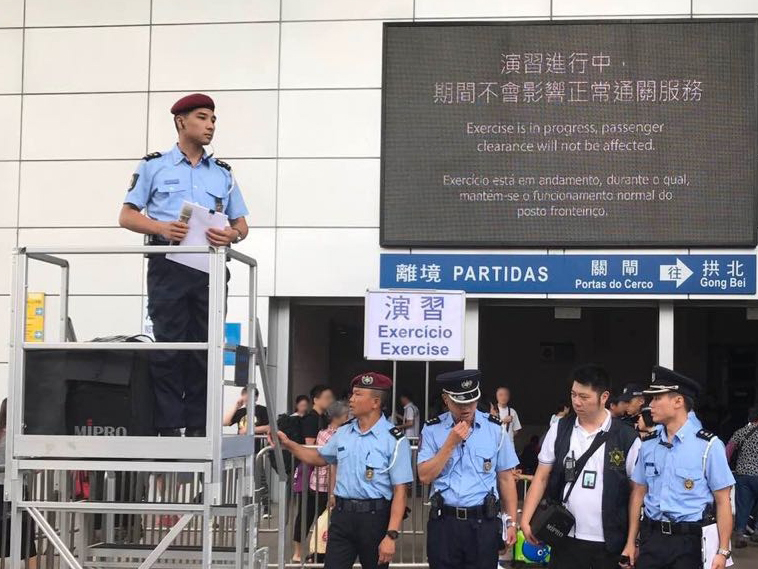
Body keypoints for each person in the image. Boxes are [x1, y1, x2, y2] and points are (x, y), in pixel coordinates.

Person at [119, 93, 249, 437]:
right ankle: (167, 426)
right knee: (169, 346)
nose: (210, 126)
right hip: (168, 262)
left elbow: (241, 224)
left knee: (206, 347)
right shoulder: (154, 166)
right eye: (203, 118)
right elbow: (127, 216)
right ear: (181, 122)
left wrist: (232, 234)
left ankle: (197, 426)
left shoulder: (222, 173)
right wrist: (161, 227)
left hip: (209, 264)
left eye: (213, 119)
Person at [273, 372, 412, 569]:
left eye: (358, 394)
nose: (351, 399)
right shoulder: (344, 432)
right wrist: (288, 444)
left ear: (375, 402)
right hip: (342, 517)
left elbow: (400, 491)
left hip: (374, 518)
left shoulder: (394, 440)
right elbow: (320, 458)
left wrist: (391, 535)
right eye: (352, 394)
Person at [520, 364, 640, 569]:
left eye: (584, 397)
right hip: (564, 536)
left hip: (610, 542)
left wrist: (631, 541)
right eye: (573, 394)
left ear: (604, 397)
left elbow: (636, 491)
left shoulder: (626, 437)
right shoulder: (560, 429)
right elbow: (541, 477)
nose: (576, 402)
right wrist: (526, 519)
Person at [624, 366, 735, 569]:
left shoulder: (708, 446)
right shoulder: (649, 444)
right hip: (652, 538)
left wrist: (723, 551)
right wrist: (632, 542)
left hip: (689, 544)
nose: (650, 405)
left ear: (678, 401)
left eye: (657, 398)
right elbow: (638, 493)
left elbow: (723, 501)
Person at [418, 370, 519, 569]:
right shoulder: (432, 429)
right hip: (445, 522)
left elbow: (506, 479)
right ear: (446, 400)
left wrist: (511, 523)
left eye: (471, 401)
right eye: (459, 403)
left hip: (483, 522)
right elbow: (424, 476)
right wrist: (450, 444)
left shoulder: (494, 429)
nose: (466, 408)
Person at [293, 385, 335, 561]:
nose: (330, 401)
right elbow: (310, 446)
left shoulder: (324, 418)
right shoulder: (311, 419)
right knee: (306, 513)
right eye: (327, 397)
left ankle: (317, 550)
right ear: (316, 399)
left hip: (320, 472)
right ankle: (297, 552)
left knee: (321, 515)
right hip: (310, 471)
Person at [0, 399, 37, 568]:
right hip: (18, 488)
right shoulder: (21, 437)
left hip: (4, 488)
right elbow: (35, 467)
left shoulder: (2, 434)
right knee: (26, 537)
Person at [223, 386, 271, 518]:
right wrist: (236, 406)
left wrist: (250, 429)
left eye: (250, 396)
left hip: (255, 449)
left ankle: (266, 506)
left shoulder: (262, 410)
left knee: (259, 477)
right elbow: (225, 422)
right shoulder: (240, 412)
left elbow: (269, 426)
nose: (247, 399)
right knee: (240, 478)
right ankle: (242, 505)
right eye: (245, 395)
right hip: (240, 450)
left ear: (256, 397)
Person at [726, 405, 758, 548]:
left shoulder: (741, 432)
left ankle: (740, 535)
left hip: (743, 474)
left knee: (743, 505)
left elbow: (728, 451)